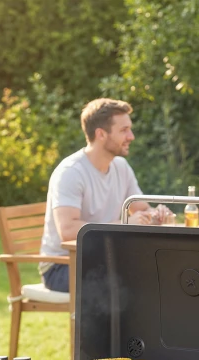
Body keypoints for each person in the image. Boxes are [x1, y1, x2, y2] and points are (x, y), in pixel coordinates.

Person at [39, 98, 171, 292]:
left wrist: (156, 215)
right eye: (124, 130)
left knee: (161, 271)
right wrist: (124, 225)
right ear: (101, 134)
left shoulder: (121, 167)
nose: (131, 136)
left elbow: (142, 209)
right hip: (63, 266)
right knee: (130, 283)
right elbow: (67, 230)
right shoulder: (71, 172)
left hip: (104, 260)